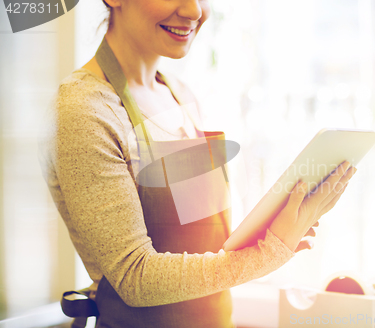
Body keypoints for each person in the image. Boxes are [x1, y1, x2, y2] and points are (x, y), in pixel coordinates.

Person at [39, 0, 356, 327]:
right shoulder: (84, 110)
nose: (194, 11)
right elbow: (135, 277)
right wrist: (270, 252)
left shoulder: (180, 95)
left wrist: (278, 224)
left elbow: (199, 246)